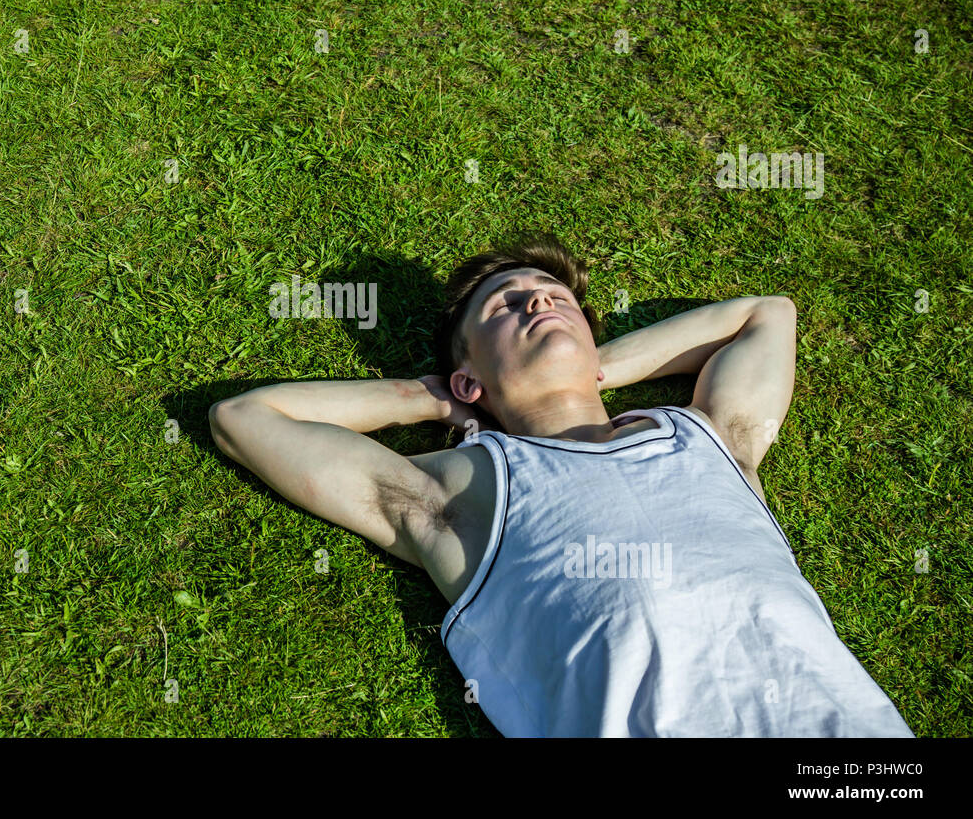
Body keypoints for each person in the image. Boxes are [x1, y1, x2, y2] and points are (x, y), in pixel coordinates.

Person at [208, 232, 914, 737]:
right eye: (506, 307)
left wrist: (587, 369)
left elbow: (769, 314)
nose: (537, 303)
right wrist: (432, 399)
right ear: (470, 377)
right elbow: (243, 418)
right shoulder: (463, 489)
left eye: (553, 298)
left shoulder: (715, 438)